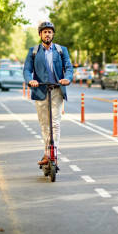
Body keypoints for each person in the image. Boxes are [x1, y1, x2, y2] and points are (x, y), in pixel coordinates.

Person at [23, 21, 74, 166]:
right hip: (40, 90)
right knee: (45, 124)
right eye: (44, 32)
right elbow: (27, 70)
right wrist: (30, 81)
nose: (47, 34)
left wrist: (67, 78)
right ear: (40, 34)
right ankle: (47, 152)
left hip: (57, 90)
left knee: (55, 123)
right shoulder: (33, 51)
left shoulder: (61, 50)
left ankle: (53, 152)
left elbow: (69, 67)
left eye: (50, 32)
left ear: (53, 34)